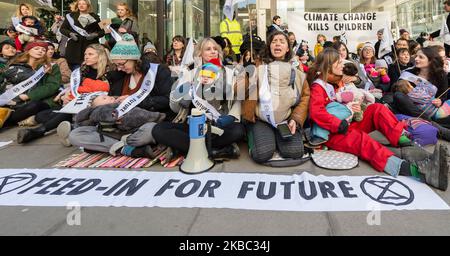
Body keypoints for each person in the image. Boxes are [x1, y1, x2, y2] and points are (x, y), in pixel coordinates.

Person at [307, 48, 448, 191]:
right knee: (363, 140)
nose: (342, 65)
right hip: (331, 134)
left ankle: (410, 146)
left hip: (346, 123)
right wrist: (337, 123)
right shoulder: (319, 86)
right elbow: (315, 112)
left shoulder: (335, 81)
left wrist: (352, 105)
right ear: (328, 66)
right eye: (338, 62)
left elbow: (355, 84)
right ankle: (419, 172)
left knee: (377, 109)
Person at [67, 34, 173, 154]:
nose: (119, 68)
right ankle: (125, 148)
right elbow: (110, 103)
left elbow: (166, 100)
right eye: (116, 65)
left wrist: (134, 100)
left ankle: (116, 146)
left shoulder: (157, 72)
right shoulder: (117, 77)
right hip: (116, 128)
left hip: (144, 124)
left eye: (122, 64)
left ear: (134, 59)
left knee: (151, 130)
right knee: (76, 135)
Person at [152, 37, 245, 159]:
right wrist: (185, 91)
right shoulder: (190, 74)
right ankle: (217, 150)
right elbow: (174, 107)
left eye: (215, 49)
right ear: (200, 53)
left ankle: (185, 149)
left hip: (219, 125)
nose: (213, 52)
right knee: (158, 130)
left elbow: (239, 98)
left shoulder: (229, 73)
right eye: (208, 49)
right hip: (193, 126)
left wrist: (232, 116)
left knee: (239, 130)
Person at [17, 43, 113, 144]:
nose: (86, 57)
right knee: (43, 115)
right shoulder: (83, 69)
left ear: (100, 55)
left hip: (96, 105)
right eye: (85, 54)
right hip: (76, 102)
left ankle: (38, 131)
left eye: (90, 54)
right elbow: (75, 88)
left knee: (65, 114)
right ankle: (67, 129)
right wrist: (67, 95)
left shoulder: (110, 71)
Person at [242, 31, 310, 165]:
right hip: (261, 119)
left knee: (295, 152)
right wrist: (248, 75)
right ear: (269, 46)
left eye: (282, 41)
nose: (277, 43)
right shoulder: (257, 66)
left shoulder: (296, 71)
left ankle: (275, 137)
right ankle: (252, 134)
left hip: (285, 120)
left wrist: (295, 120)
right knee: (262, 153)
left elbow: (305, 97)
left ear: (287, 48)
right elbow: (238, 91)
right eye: (274, 41)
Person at [0, 40, 61, 129]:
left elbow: (52, 86)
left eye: (43, 50)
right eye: (36, 48)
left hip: (36, 101)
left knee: (34, 106)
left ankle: (5, 122)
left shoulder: (50, 67)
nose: (40, 51)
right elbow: (3, 80)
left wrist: (29, 96)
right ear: (28, 50)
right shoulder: (16, 64)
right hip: (12, 100)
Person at [393, 47, 450, 128]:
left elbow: (443, 96)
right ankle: (429, 122)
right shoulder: (408, 72)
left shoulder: (440, 75)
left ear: (430, 60)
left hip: (431, 111)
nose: (416, 59)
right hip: (410, 110)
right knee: (398, 96)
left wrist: (440, 101)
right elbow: (397, 93)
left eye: (421, 57)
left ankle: (432, 123)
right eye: (416, 56)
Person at [59, 0, 105, 69]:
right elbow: (62, 29)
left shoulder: (96, 17)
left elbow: (102, 31)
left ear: (88, 6)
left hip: (90, 46)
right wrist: (70, 34)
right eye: (79, 4)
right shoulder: (70, 16)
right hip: (74, 48)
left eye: (83, 4)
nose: (81, 5)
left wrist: (95, 35)